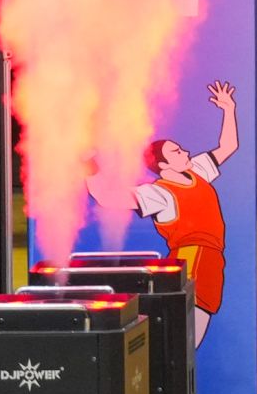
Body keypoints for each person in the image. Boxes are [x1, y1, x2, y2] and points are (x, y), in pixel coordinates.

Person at [98, 79, 239, 347]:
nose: (185, 151)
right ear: (163, 165)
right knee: (183, 339)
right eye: (177, 151)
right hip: (192, 258)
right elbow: (108, 197)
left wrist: (228, 109)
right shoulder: (160, 193)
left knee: (190, 339)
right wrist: (90, 168)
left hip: (212, 260)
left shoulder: (196, 171)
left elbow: (228, 146)